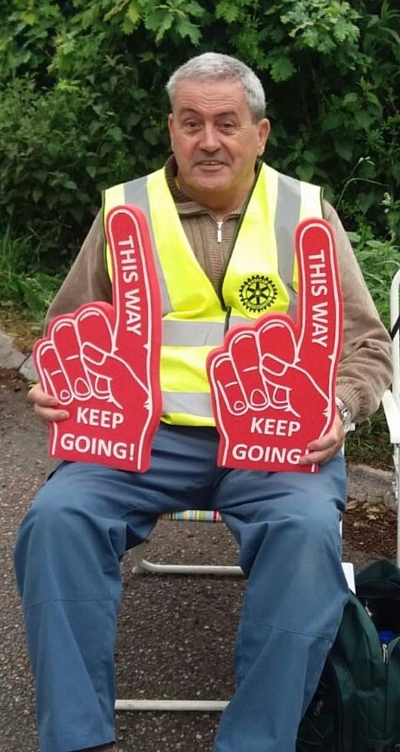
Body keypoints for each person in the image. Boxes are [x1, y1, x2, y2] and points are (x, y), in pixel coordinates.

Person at [14, 52, 392, 752]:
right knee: (57, 521)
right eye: (192, 123)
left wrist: (338, 408)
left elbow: (367, 346)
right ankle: (75, 738)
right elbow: (65, 331)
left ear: (260, 133)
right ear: (172, 129)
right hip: (143, 442)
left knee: (308, 538)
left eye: (226, 123)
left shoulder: (308, 215)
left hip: (278, 445)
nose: (208, 140)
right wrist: (54, 378)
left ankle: (255, 742)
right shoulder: (125, 212)